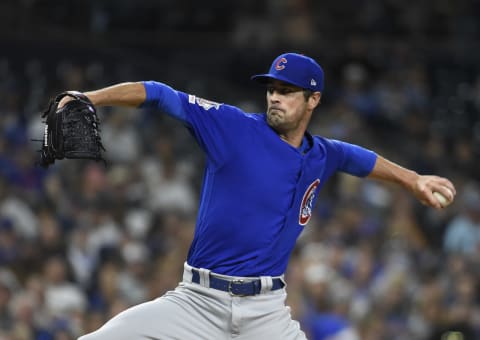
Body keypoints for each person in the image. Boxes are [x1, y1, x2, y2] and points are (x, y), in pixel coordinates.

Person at [57, 52, 455, 339]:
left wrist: (411, 179)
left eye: (287, 91)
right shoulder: (233, 127)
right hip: (197, 302)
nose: (274, 98)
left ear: (313, 99)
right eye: (272, 89)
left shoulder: (321, 153)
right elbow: (160, 94)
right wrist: (92, 97)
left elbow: (358, 158)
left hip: (266, 313)